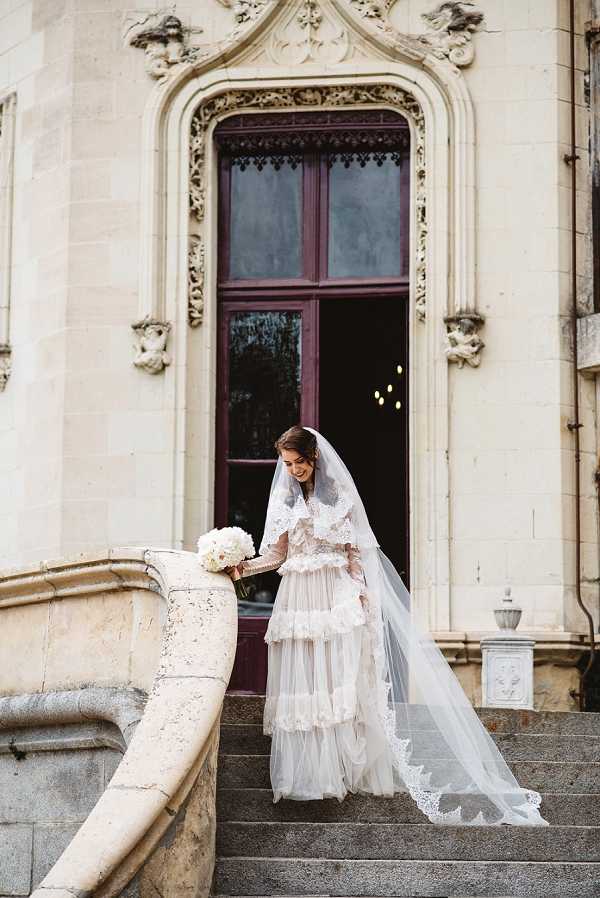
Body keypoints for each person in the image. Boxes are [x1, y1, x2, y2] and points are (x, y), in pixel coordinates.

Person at [226, 425, 549, 826]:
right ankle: (309, 774)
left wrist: (362, 598)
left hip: (334, 599)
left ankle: (339, 770)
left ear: (313, 457)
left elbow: (355, 554)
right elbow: (275, 555)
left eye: (298, 462)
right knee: (305, 685)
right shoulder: (284, 500)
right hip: (298, 600)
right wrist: (240, 567)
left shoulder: (339, 497)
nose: (293, 470)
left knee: (336, 682)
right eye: (288, 464)